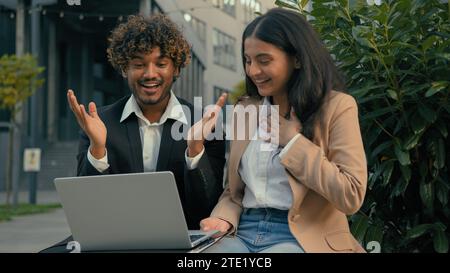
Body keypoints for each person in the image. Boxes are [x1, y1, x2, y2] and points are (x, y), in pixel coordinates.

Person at [41, 14, 226, 252]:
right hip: (113, 237)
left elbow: (207, 207)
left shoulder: (204, 124)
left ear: (177, 68)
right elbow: (88, 209)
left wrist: (195, 150)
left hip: (181, 242)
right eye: (138, 64)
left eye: (161, 64)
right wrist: (98, 150)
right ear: (123, 69)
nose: (150, 74)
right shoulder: (100, 122)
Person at [200, 8, 368, 253]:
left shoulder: (337, 107)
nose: (253, 71)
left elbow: (351, 195)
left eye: (264, 60)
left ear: (297, 59)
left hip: (302, 236)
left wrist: (293, 143)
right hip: (243, 230)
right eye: (248, 61)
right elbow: (233, 192)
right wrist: (223, 218)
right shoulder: (245, 110)